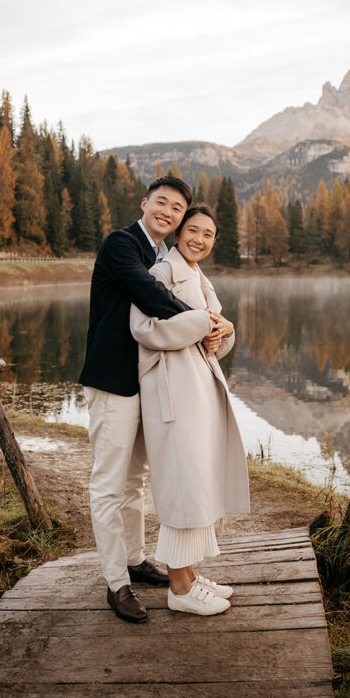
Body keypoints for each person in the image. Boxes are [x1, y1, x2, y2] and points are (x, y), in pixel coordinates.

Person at [78, 176, 218, 624]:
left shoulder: (165, 255)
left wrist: (217, 327)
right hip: (112, 381)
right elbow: (150, 295)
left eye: (178, 208)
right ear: (145, 203)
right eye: (162, 202)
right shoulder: (121, 244)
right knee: (109, 483)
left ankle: (137, 560)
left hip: (146, 387)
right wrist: (206, 323)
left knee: (136, 479)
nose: (169, 212)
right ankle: (117, 582)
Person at [130, 204, 250, 616]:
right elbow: (143, 329)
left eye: (208, 234)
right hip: (174, 393)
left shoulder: (198, 275)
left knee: (197, 482)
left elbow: (212, 331)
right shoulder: (162, 273)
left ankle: (191, 575)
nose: (199, 239)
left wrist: (225, 330)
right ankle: (178, 589)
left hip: (198, 390)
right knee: (182, 485)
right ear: (179, 233)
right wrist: (203, 324)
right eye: (193, 230)